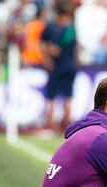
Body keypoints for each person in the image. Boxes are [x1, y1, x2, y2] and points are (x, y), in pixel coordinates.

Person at [40, 0, 77, 132]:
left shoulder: (54, 28)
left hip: (57, 67)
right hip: (71, 66)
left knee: (51, 96)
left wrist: (47, 57)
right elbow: (75, 50)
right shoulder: (72, 29)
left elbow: (54, 50)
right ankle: (66, 124)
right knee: (68, 96)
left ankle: (50, 124)